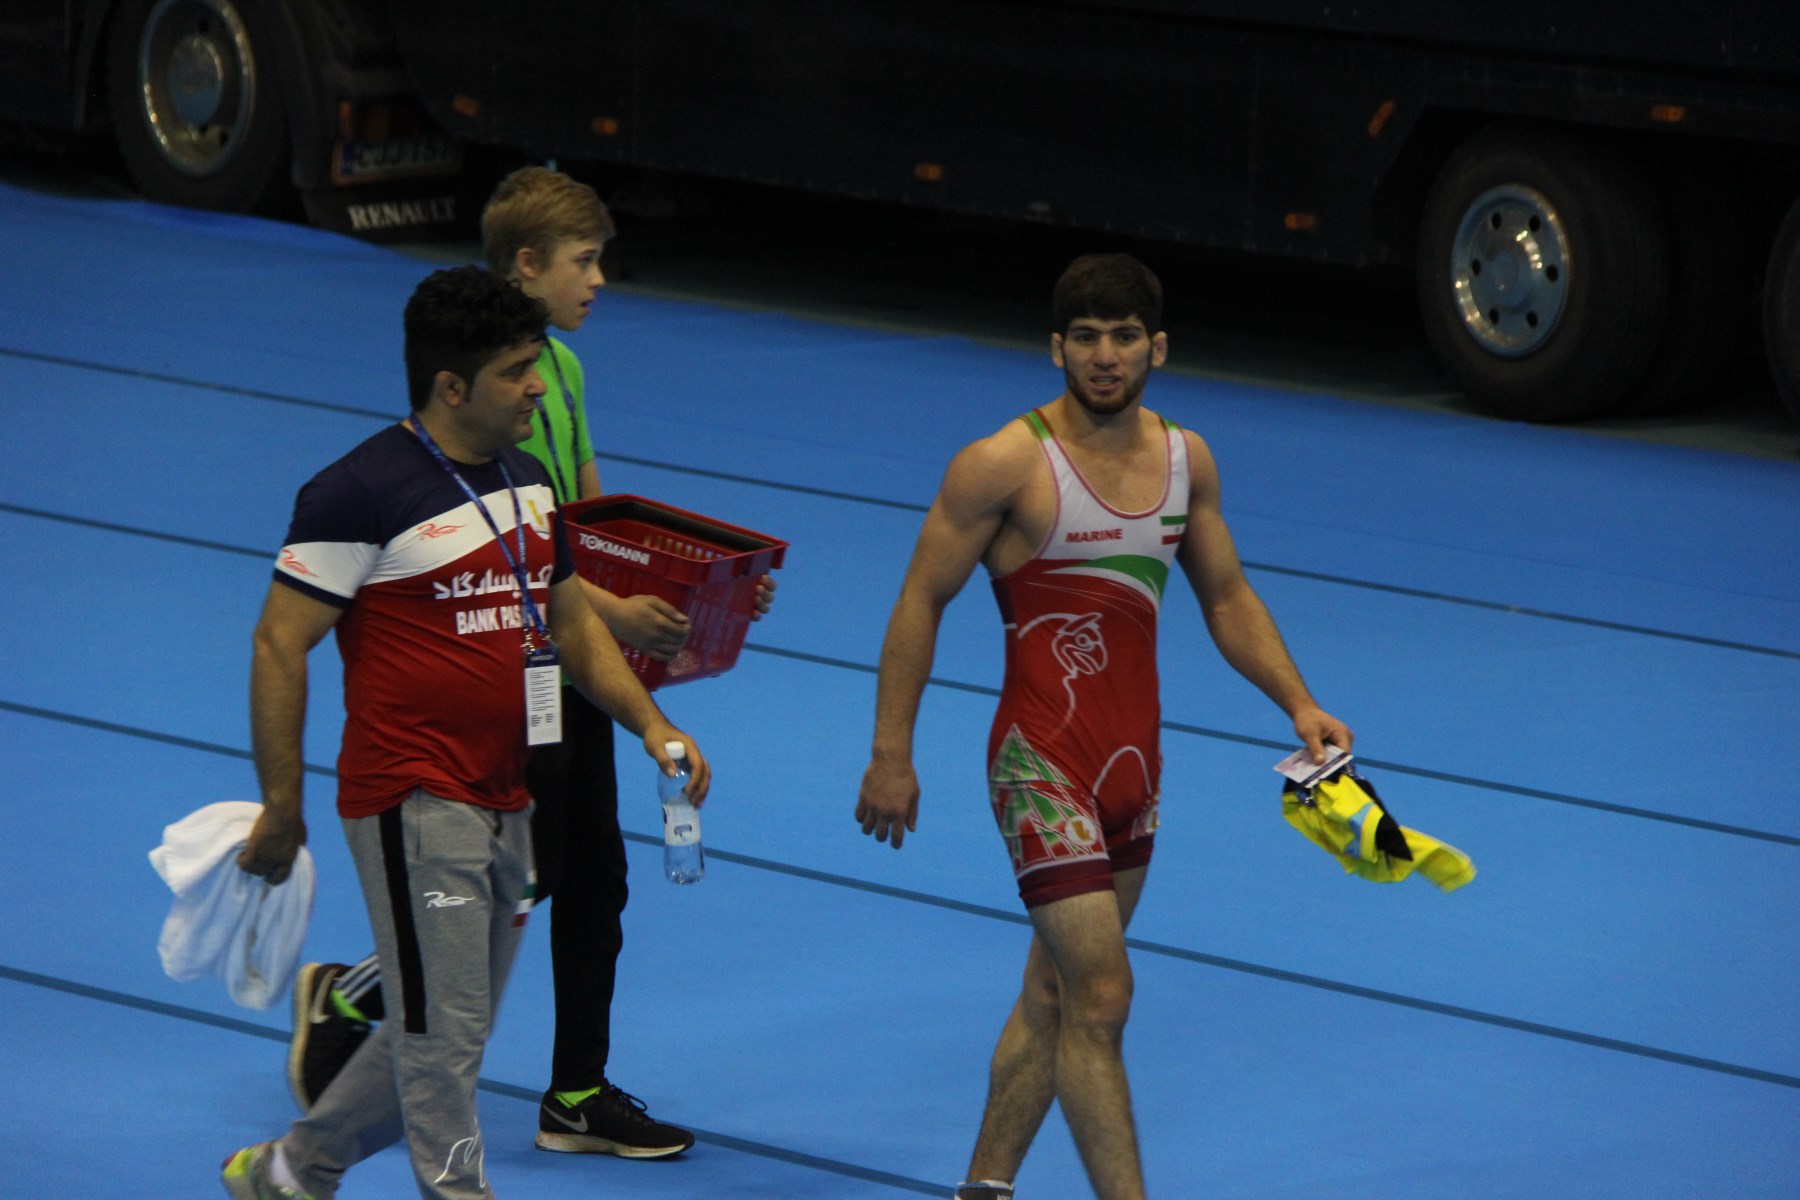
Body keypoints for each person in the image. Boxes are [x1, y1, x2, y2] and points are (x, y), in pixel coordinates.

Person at [286, 166, 771, 1160]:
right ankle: (355, 999)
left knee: (595, 878)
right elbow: (514, 556)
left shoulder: (566, 375)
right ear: (524, 267)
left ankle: (575, 1092)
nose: (598, 280)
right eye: (583, 261)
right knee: (525, 882)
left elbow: (580, 527)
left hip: (567, 664)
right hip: (512, 671)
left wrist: (699, 588)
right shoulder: (469, 401)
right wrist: (614, 609)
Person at [853, 254, 1351, 1200]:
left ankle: (983, 1190)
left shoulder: (1185, 460)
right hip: (1040, 763)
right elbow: (921, 599)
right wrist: (891, 754)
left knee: (1054, 992)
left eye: (1124, 337)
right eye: (1085, 338)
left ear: (1158, 348)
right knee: (1104, 994)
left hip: (1135, 769)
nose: (1105, 356)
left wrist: (1298, 701)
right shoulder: (1005, 464)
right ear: (1057, 349)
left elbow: (1226, 596)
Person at [223, 264, 710, 1200]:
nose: (538, 388)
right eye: (517, 372)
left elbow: (570, 624)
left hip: (508, 796)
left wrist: (653, 723)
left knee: (449, 1026)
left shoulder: (529, 483)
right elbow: (279, 643)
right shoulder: (357, 494)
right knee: (443, 1038)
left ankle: (292, 1170)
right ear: (451, 386)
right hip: (413, 799)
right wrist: (282, 806)